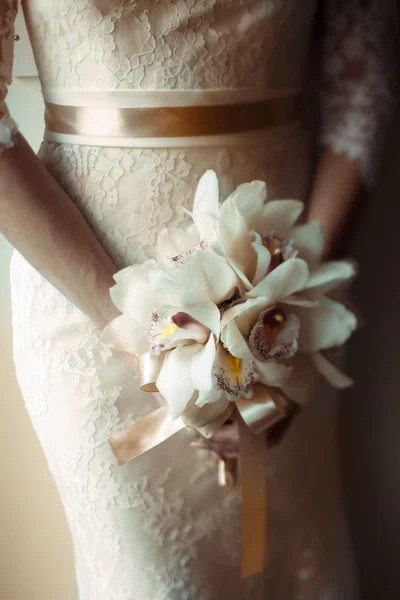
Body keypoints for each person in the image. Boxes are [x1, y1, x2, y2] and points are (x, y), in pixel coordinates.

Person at [0, 1, 397, 598]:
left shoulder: (294, 308)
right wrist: (143, 343)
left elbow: (360, 99)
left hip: (289, 307)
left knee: (294, 567)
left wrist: (296, 302)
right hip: (89, 312)